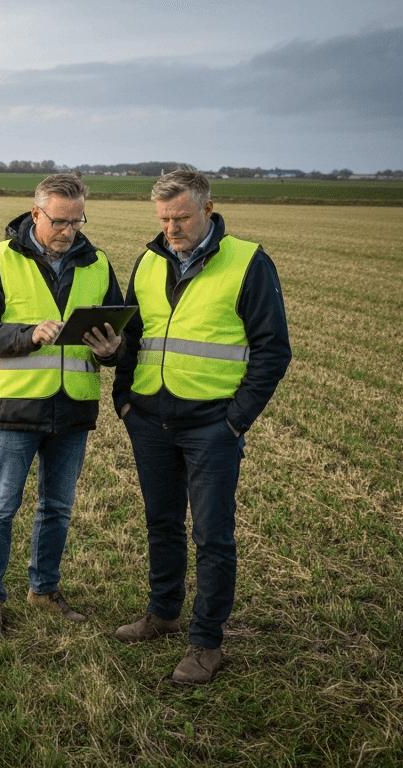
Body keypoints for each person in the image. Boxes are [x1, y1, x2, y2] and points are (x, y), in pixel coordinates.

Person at [112, 170, 291, 684]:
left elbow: (273, 351)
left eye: (181, 217)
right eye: (164, 219)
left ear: (208, 208)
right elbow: (134, 336)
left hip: (211, 426)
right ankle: (163, 611)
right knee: (161, 523)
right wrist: (125, 399)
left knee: (212, 535)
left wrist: (234, 421)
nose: (172, 228)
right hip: (148, 420)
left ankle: (206, 642)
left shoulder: (248, 262)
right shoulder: (147, 261)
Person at [0, 174, 125, 640]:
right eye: (59, 221)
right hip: (16, 408)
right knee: (0, 507)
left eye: (77, 221)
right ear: (36, 214)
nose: (68, 230)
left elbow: (117, 332)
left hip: (73, 409)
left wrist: (112, 349)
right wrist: (27, 335)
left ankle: (44, 589)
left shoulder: (98, 264)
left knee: (57, 507)